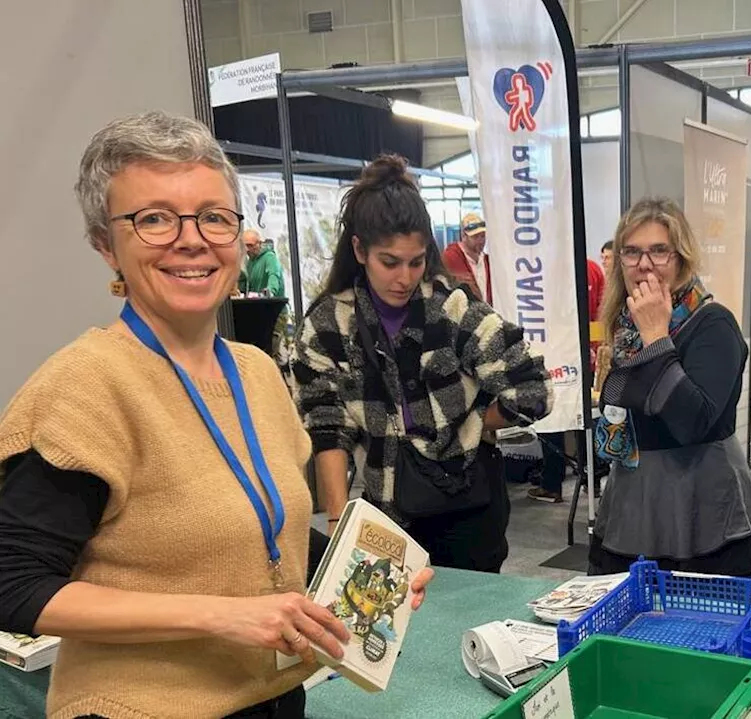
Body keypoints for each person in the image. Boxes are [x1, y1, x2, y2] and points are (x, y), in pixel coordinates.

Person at [0, 111, 433, 719]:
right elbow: (12, 584)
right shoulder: (84, 388)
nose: (191, 239)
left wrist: (369, 574)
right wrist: (220, 613)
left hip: (273, 697)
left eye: (213, 216)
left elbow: (261, 537)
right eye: (153, 219)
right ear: (106, 245)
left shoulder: (256, 373)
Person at [291, 156, 552, 573]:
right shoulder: (327, 325)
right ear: (359, 250)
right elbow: (327, 431)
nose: (405, 277)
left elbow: (534, 390)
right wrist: (340, 522)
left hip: (470, 508)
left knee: (469, 624)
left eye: (416, 261)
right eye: (389, 262)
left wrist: (477, 422)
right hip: (389, 513)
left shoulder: (453, 309)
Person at [589, 198, 751, 576]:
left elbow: (693, 421)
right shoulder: (625, 330)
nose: (644, 264)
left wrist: (657, 337)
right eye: (632, 252)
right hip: (633, 502)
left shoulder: (713, 324)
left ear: (682, 258)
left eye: (659, 251)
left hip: (702, 509)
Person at [528, 255, 606, 504]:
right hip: (583, 356)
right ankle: (591, 478)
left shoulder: (548, 272)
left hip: (557, 356)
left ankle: (552, 484)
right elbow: (600, 312)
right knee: (583, 416)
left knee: (554, 415)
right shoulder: (592, 268)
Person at [442, 211, 492, 303]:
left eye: (483, 236)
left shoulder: (487, 260)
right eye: (475, 237)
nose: (481, 241)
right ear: (463, 236)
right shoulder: (451, 257)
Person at [239, 229, 285, 297]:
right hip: (258, 305)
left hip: (275, 305)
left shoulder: (270, 257)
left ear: (259, 244)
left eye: (250, 245)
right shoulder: (250, 263)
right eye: (244, 246)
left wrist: (270, 291)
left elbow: (274, 275)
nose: (247, 249)